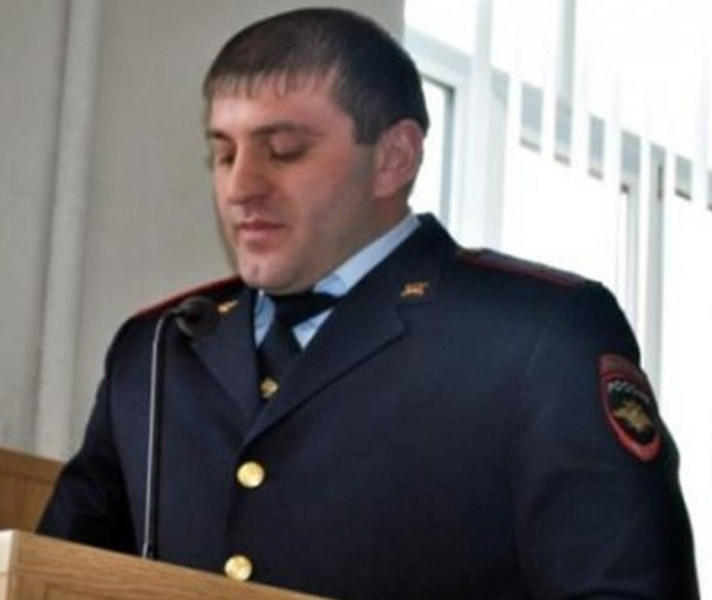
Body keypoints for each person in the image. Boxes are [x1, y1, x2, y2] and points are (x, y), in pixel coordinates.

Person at [38, 8, 699, 599]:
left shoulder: (535, 333)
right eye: (223, 153)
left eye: (283, 150)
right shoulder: (159, 350)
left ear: (393, 158)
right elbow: (50, 577)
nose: (241, 186)